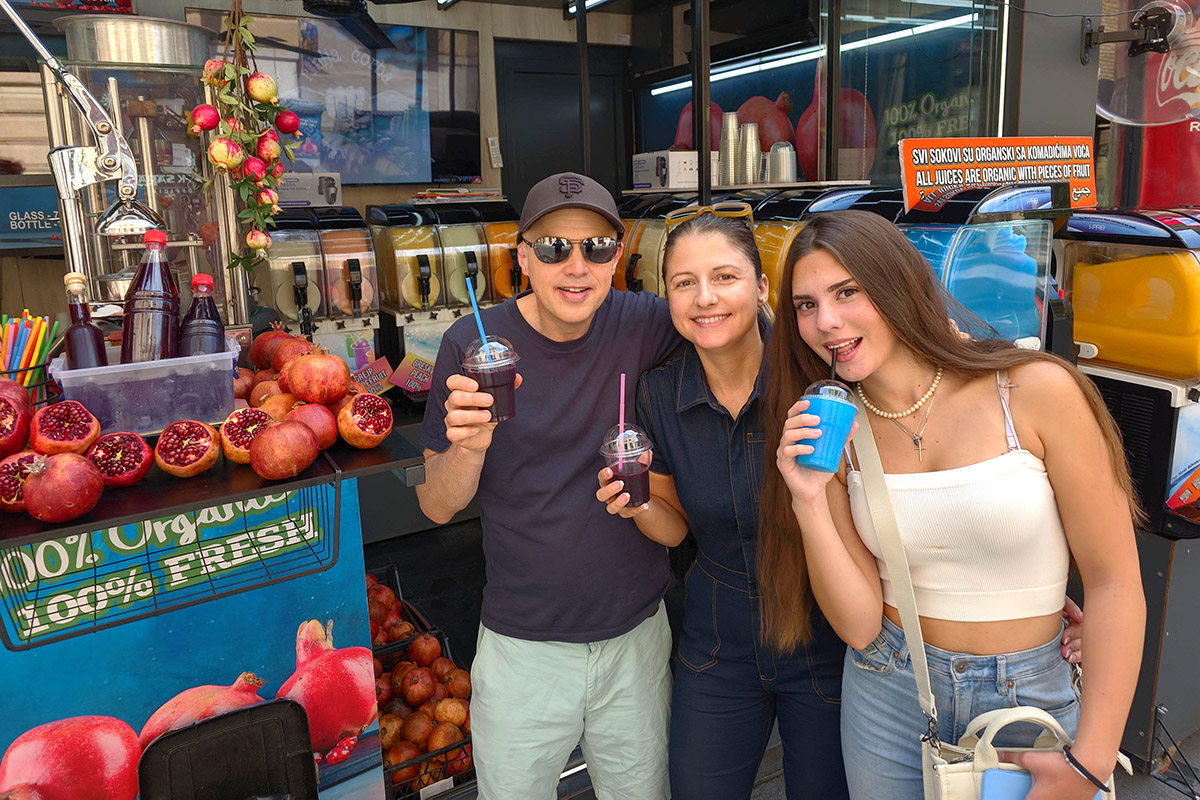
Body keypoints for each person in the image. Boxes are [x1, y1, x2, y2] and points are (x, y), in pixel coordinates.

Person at [760, 210, 1145, 800]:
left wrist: (1091, 762)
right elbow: (860, 625)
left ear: (899, 286)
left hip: (1030, 691)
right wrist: (808, 499)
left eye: (847, 292)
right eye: (806, 305)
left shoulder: (1034, 390)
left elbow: (1115, 578)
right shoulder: (835, 426)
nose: (827, 322)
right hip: (889, 689)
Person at [416, 172, 680, 800]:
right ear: (523, 258)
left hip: (635, 638)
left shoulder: (644, 322)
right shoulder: (471, 343)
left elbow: (740, 330)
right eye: (555, 247)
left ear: (619, 257)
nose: (577, 265)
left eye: (597, 247)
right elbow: (435, 503)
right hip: (522, 647)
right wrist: (468, 447)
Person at [595, 203, 849, 800]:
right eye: (685, 283)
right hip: (718, 639)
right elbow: (676, 530)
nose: (705, 297)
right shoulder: (660, 395)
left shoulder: (821, 382)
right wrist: (635, 506)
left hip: (828, 628)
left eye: (725, 277)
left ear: (761, 287)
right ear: (668, 298)